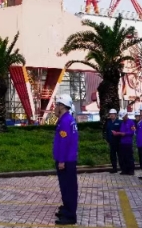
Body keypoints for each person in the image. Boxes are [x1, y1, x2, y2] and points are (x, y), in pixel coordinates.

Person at [53, 94, 79, 226]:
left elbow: (64, 143)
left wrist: (62, 160)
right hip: (68, 158)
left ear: (62, 106)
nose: (55, 107)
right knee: (66, 186)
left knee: (68, 187)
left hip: (66, 160)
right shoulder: (67, 119)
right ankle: (67, 208)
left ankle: (70, 215)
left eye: (57, 104)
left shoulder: (65, 121)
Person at [114, 109, 136, 175]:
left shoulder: (131, 122)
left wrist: (125, 134)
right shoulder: (122, 123)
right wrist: (118, 133)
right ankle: (124, 170)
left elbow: (132, 132)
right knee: (123, 157)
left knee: (129, 157)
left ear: (126, 115)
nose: (123, 118)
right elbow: (121, 131)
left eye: (123, 117)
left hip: (128, 142)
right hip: (122, 142)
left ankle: (131, 170)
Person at [104, 109, 121, 174]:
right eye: (110, 114)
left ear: (115, 115)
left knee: (120, 155)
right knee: (112, 155)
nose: (111, 115)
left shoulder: (119, 122)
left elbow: (121, 131)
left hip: (118, 142)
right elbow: (107, 132)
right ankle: (114, 168)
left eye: (112, 114)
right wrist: (107, 140)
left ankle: (122, 167)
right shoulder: (108, 123)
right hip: (111, 142)